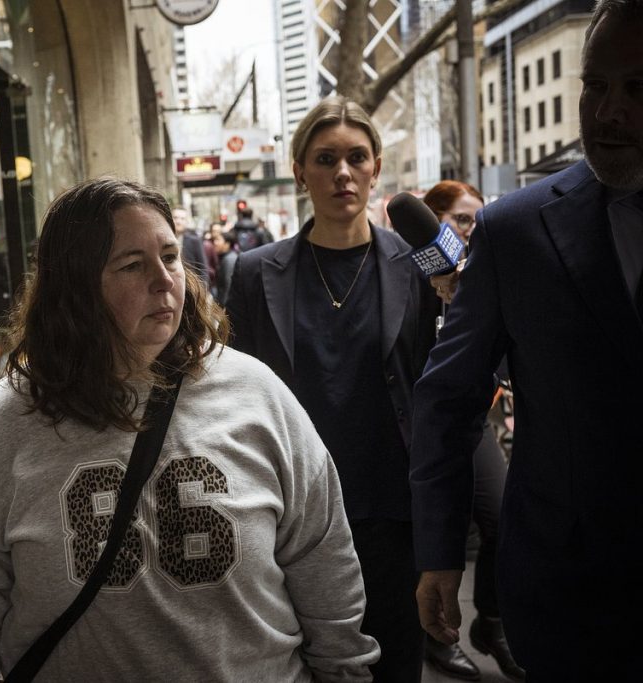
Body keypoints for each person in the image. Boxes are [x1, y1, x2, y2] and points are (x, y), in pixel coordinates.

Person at [0, 177, 380, 681]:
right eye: (132, 265)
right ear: (75, 287)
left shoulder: (256, 392)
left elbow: (323, 558)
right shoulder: (5, 422)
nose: (164, 280)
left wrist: (346, 671)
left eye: (170, 257)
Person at [410, 2, 643, 679]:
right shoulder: (517, 230)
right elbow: (449, 398)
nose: (609, 111)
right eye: (595, 84)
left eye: (637, 88)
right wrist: (440, 552)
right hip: (571, 598)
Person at [226, 95, 439, 682]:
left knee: (396, 661)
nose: (342, 172)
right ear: (300, 173)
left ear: (376, 168)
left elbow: (442, 385)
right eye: (325, 159)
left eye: (356, 158)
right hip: (292, 514)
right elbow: (230, 389)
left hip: (391, 508)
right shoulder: (255, 273)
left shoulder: (419, 266)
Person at [418, 181, 524, 681]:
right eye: (460, 220)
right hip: (414, 420)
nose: (469, 231)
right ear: (432, 221)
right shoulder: (407, 270)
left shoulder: (484, 271)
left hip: (473, 418)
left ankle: (492, 622)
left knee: (501, 515)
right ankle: (435, 635)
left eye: (475, 222)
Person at [172, 205, 209, 290]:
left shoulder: (195, 241)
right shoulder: (163, 240)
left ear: (186, 222)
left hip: (190, 289)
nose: (178, 221)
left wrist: (202, 290)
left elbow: (203, 268)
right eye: (175, 217)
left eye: (182, 218)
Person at [212, 228, 238, 306]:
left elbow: (228, 285)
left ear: (227, 244)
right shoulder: (225, 257)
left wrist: (224, 308)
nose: (215, 242)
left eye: (218, 240)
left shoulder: (229, 259)